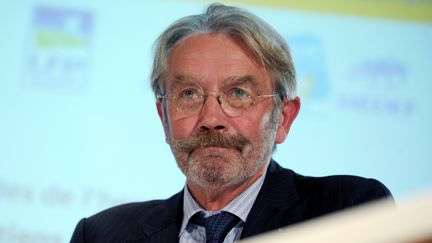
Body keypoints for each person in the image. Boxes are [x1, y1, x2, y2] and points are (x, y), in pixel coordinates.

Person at [70, 3, 392, 243]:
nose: (211, 119)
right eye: (189, 94)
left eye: (238, 93)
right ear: (164, 119)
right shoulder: (101, 235)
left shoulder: (346, 210)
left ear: (283, 118)